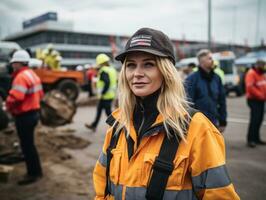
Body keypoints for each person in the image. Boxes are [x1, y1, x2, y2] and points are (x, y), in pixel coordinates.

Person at [93, 28, 239, 200]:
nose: (137, 74)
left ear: (166, 71)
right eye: (131, 65)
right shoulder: (118, 125)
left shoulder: (198, 129)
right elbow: (102, 191)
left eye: (148, 64)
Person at [6, 50, 44, 185]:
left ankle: (33, 173)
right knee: (30, 145)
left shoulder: (21, 77)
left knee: (27, 146)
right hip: (33, 114)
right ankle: (36, 170)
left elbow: (16, 97)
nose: (12, 65)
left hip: (24, 116)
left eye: (14, 63)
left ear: (18, 63)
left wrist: (7, 106)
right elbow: (40, 94)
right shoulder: (32, 74)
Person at [185, 49, 227, 133]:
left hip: (214, 122)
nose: (212, 61)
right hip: (197, 123)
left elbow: (222, 100)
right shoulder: (192, 79)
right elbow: (188, 103)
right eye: (210, 58)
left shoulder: (216, 78)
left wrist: (223, 120)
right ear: (202, 61)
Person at [85, 53, 117, 131]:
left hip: (105, 95)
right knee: (99, 110)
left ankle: (116, 127)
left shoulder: (103, 70)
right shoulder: (112, 69)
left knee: (108, 112)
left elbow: (107, 82)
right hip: (110, 95)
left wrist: (103, 92)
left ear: (100, 63)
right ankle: (94, 125)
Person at [245, 59, 266, 148]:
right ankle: (250, 140)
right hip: (254, 100)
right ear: (258, 65)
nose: (264, 67)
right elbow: (250, 87)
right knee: (254, 120)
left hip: (261, 100)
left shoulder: (261, 74)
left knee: (259, 119)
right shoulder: (251, 73)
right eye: (263, 66)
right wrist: (260, 95)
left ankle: (256, 138)